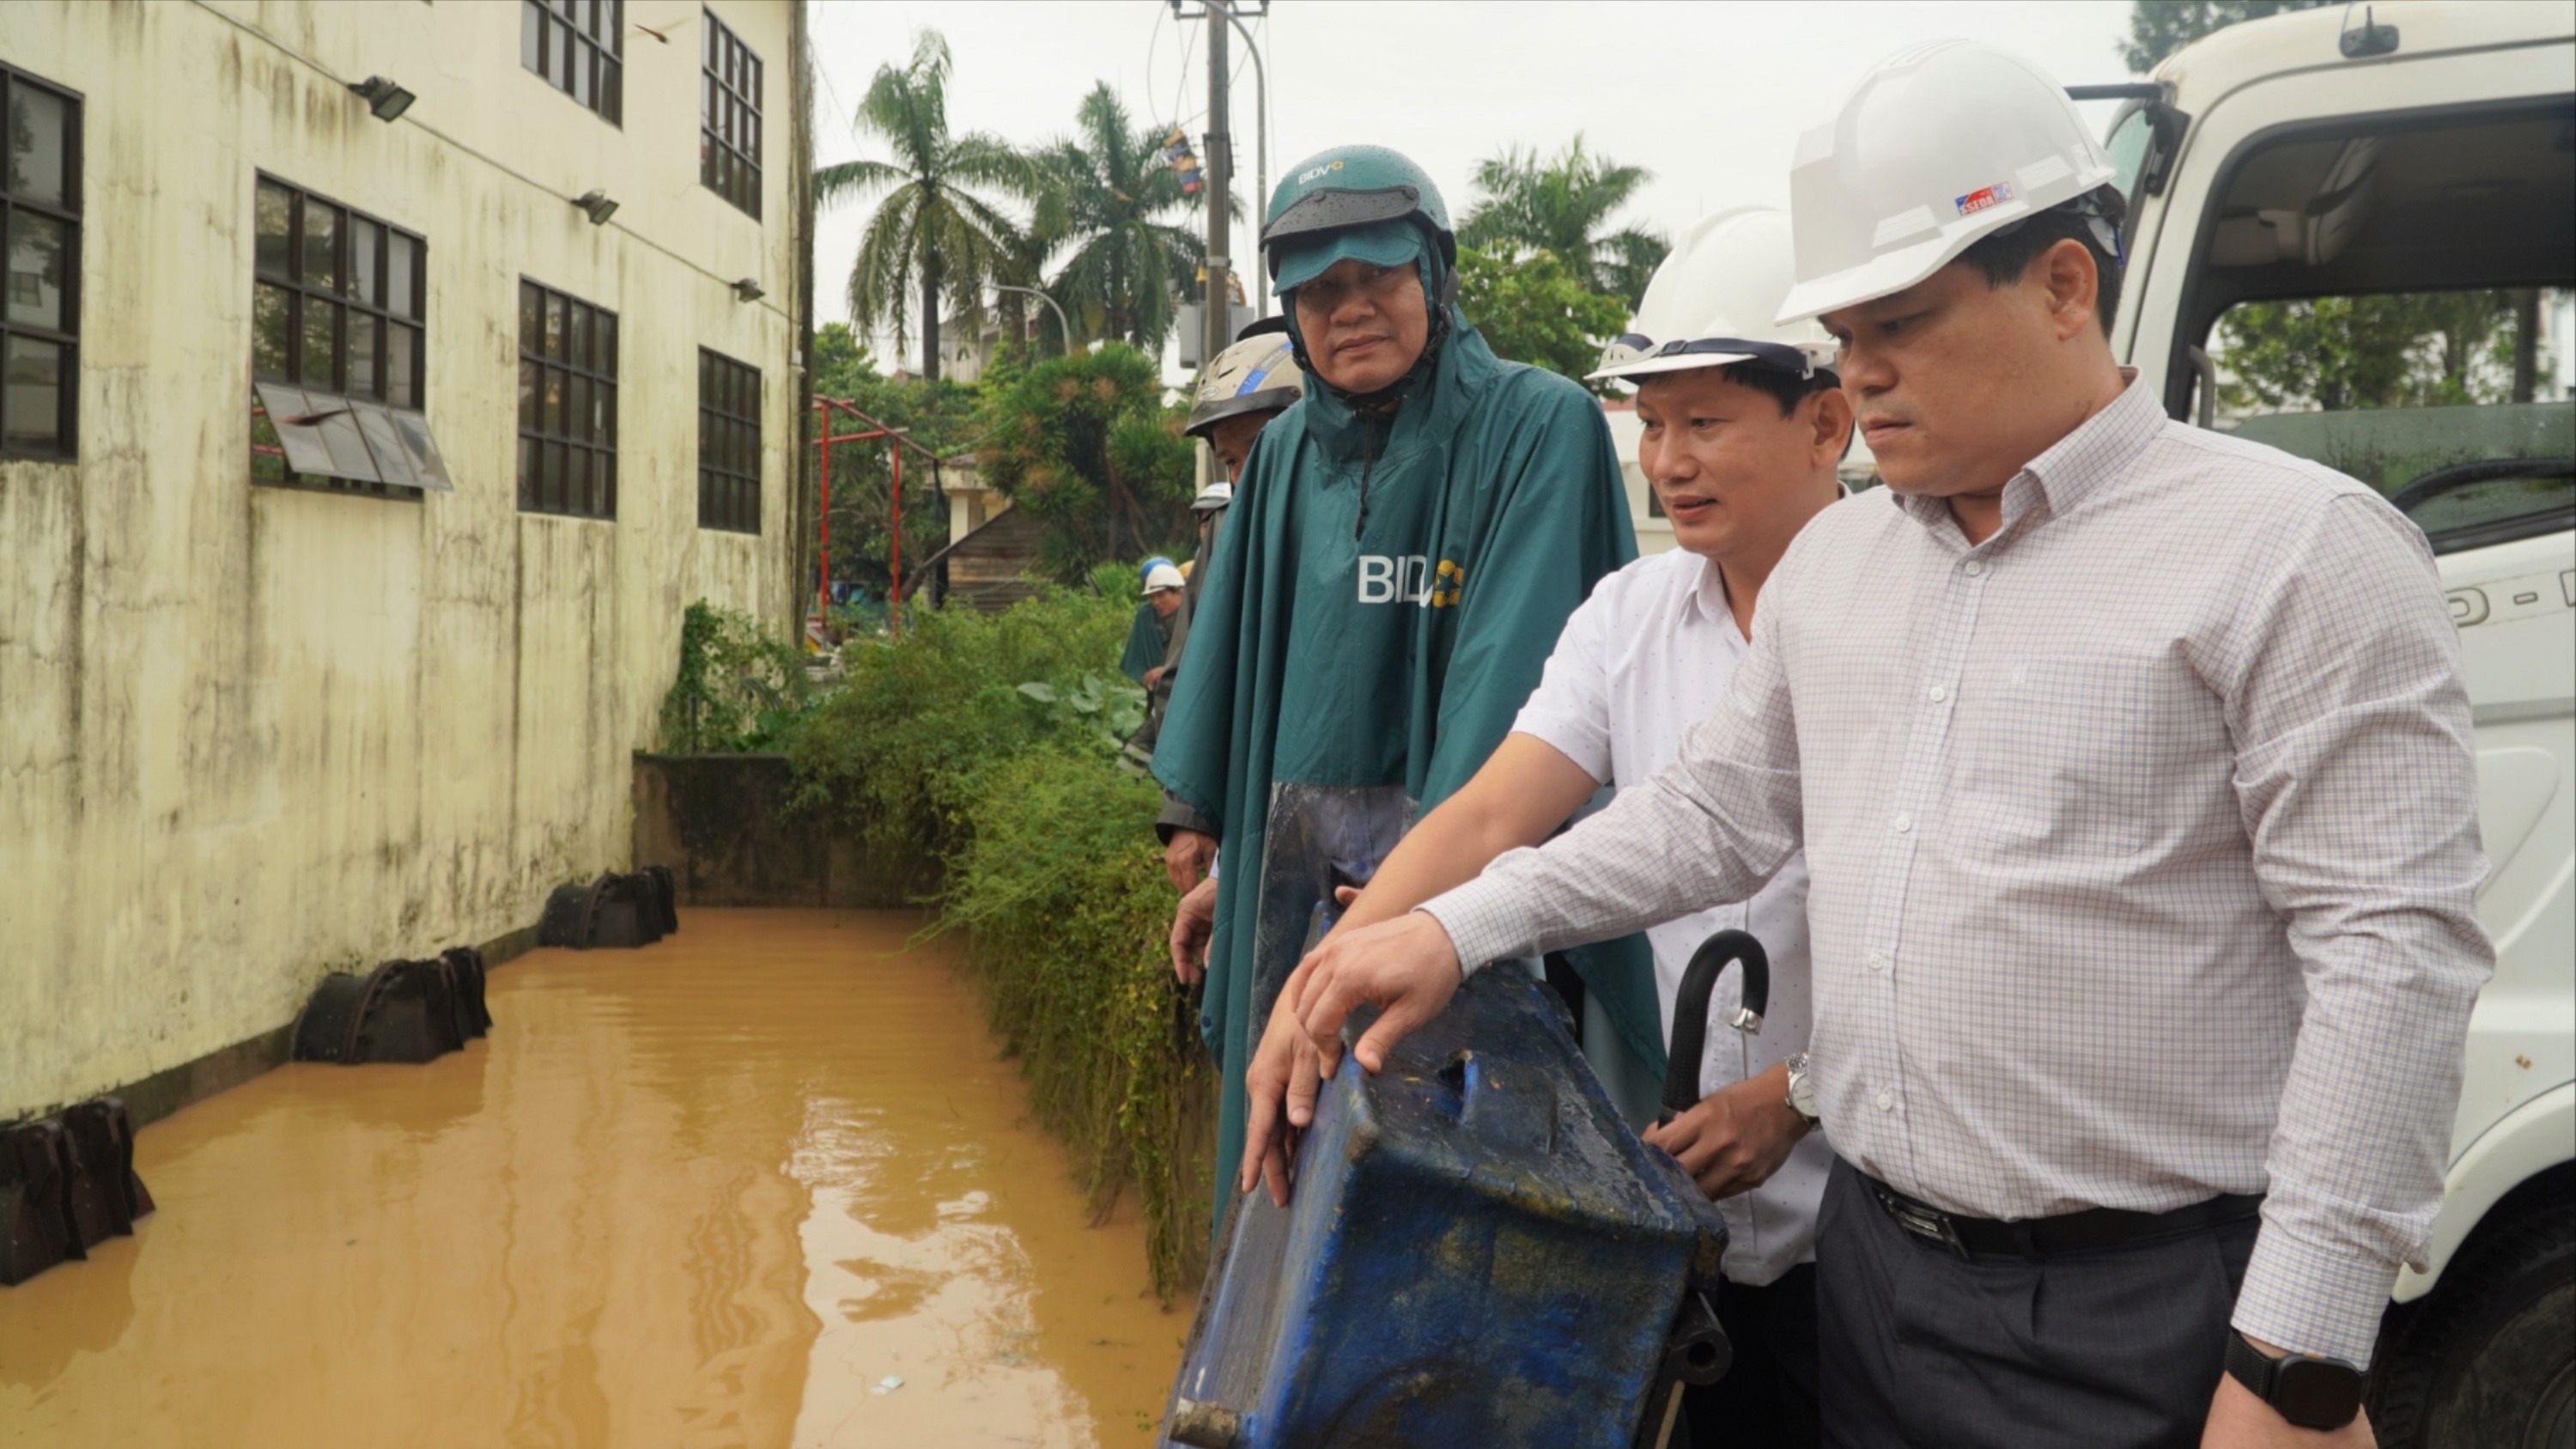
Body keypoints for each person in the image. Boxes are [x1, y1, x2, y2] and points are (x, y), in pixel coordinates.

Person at [1259, 42, 2488, 1449]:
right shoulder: (1844, 567)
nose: (1862, 372)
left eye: (1899, 323)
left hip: (2142, 1306)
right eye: (1846, 332)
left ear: (2063, 287)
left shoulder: (2295, 555)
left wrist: (2298, 1366)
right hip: (1878, 1279)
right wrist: (1452, 929)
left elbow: (2391, 960)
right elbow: (1707, 819)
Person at [1243, 205, 1850, 1446]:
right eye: (1655, 422)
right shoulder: (1631, 614)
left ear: (1827, 420)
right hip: (1686, 1216)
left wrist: (1804, 1090)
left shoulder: (1909, 616)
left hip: (1876, 1226)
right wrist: (1319, 984)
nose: (1668, 459)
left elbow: (1958, 937)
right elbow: (1488, 815)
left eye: (1707, 421)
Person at [1152, 143, 1646, 1241]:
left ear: (1436, 270)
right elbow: (1242, 689)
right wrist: (1230, 866)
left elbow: (1501, 739)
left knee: (1463, 1203)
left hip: (1477, 907)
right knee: (1289, 1199)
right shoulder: (1281, 459)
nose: (1352, 310)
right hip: (1298, 901)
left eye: (1379, 276)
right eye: (1320, 292)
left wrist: (1389, 918)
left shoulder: (1539, 427)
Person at [1152, 328, 1305, 890]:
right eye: (1232, 461)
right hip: (1246, 805)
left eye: (1260, 452)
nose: (1245, 476)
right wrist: (1189, 811)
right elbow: (1188, 671)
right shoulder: (1227, 530)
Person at [1117, 556, 1179, 686]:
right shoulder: (1146, 615)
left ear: (1179, 592)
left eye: (1161, 595)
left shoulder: (1195, 612)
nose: (1156, 602)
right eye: (1152, 597)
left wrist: (1167, 670)